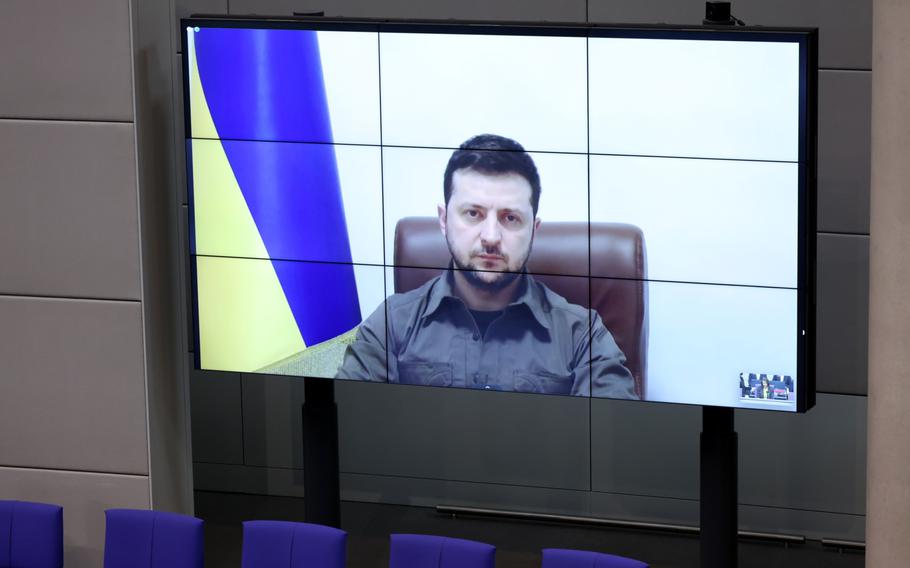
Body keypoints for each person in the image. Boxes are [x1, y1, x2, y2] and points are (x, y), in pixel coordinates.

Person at [337, 134, 638, 399]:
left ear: (534, 229)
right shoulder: (392, 325)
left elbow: (614, 444)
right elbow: (343, 432)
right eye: (473, 213)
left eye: (510, 218)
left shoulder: (581, 336)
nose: (491, 237)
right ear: (443, 220)